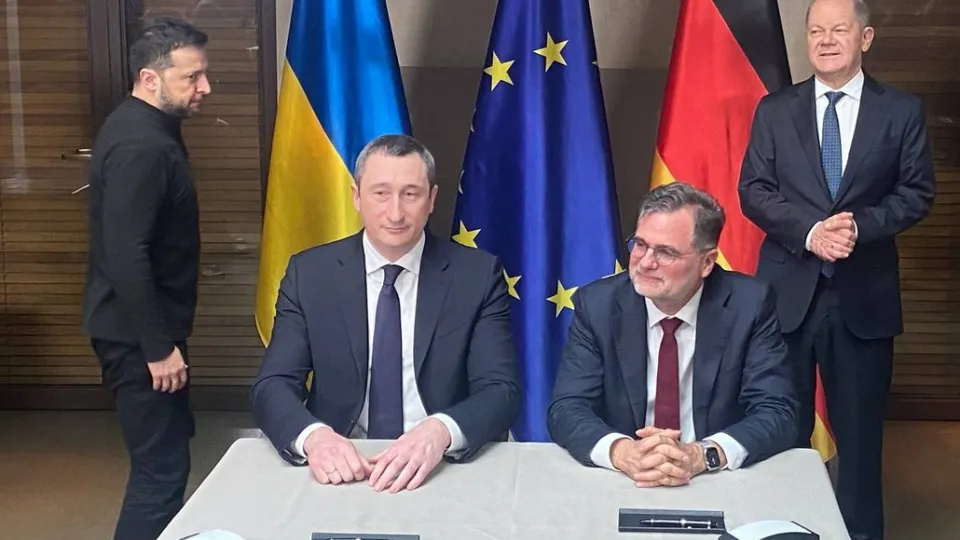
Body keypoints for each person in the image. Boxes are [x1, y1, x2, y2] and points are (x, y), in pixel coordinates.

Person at [738, 1, 935, 538]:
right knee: (779, 434)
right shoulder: (774, 110)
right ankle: (784, 531)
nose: (825, 41)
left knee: (861, 443)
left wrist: (856, 227)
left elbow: (917, 193)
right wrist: (810, 232)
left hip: (863, 301)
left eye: (839, 30)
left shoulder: (901, 111)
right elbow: (753, 190)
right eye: (816, 31)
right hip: (786, 300)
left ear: (865, 38)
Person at [251, 134, 521, 494]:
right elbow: (273, 385)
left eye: (410, 194)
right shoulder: (310, 274)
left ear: (432, 199)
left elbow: (501, 390)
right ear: (356, 196)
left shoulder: (477, 275)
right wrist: (315, 438)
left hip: (439, 463)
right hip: (343, 463)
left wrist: (439, 431)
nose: (395, 213)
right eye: (380, 193)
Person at [548, 182, 797, 487]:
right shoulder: (598, 305)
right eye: (640, 244)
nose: (645, 262)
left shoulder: (749, 304)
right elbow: (567, 408)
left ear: (707, 262)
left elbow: (778, 411)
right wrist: (623, 452)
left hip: (715, 479)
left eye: (665, 252)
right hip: (624, 479)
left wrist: (703, 455)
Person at [81, 17, 211, 540]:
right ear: (150, 79)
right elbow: (124, 253)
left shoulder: (147, 128)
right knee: (160, 474)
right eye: (192, 77)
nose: (205, 87)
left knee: (165, 460)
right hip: (138, 339)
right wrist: (158, 348)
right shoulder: (142, 146)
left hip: (138, 330)